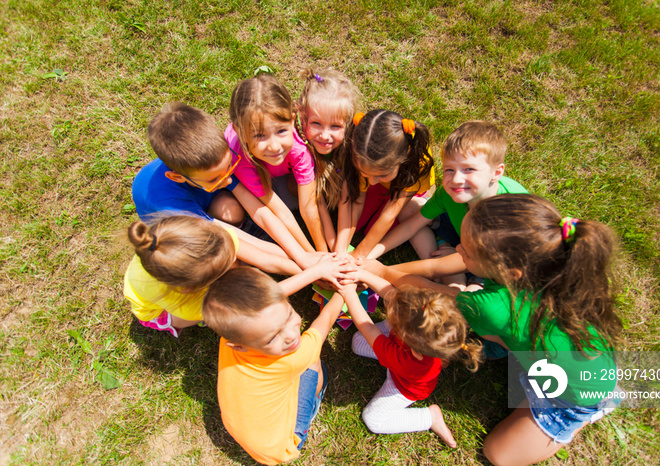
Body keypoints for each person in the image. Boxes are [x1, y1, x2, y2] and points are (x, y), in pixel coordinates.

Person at [379, 194, 623, 465]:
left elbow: (424, 287)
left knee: (498, 454)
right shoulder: (551, 265)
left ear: (510, 271)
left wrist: (378, 271)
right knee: (489, 335)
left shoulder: (492, 307)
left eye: (467, 251)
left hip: (575, 395)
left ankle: (592, 412)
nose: (458, 248)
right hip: (572, 358)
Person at [132, 102, 320, 270]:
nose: (228, 180)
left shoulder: (213, 162)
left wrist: (307, 257)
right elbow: (246, 248)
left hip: (204, 195)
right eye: (215, 179)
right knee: (228, 262)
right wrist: (306, 265)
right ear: (177, 177)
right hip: (182, 228)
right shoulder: (169, 206)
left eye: (229, 169)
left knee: (232, 210)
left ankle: (240, 223)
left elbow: (259, 210)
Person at [203, 265, 352, 465]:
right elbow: (325, 321)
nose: (291, 336)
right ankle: (315, 399)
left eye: (289, 315)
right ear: (239, 346)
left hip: (250, 430)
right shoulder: (291, 358)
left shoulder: (235, 333)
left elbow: (271, 297)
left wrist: (316, 272)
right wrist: (345, 290)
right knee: (314, 362)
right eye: (272, 338)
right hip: (283, 445)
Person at [339, 273, 481, 448]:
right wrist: (363, 274)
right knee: (357, 342)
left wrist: (349, 294)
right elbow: (391, 293)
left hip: (403, 386)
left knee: (373, 419)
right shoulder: (424, 314)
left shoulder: (407, 361)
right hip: (402, 352)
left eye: (398, 322)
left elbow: (368, 329)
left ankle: (429, 418)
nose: (391, 310)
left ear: (410, 342)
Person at [367, 121, 527, 269]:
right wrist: (368, 256)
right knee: (409, 208)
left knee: (461, 291)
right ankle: (441, 258)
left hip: (485, 264)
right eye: (449, 170)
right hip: (458, 234)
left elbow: (503, 264)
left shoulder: (513, 211)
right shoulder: (448, 193)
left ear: (496, 172)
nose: (456, 179)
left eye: (469, 169)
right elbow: (411, 226)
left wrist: (459, 257)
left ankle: (446, 275)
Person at [123, 215, 303, 337]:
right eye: (223, 266)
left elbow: (265, 258)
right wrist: (311, 275)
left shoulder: (205, 238)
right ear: (192, 287)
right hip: (156, 311)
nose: (235, 258)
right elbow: (255, 302)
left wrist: (304, 263)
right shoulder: (187, 303)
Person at [226, 74, 325, 253]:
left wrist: (323, 252)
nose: (274, 146)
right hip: (252, 173)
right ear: (239, 131)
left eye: (281, 131)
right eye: (259, 135)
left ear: (292, 120)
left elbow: (309, 206)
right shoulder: (239, 158)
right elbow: (279, 211)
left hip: (272, 171)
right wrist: (311, 256)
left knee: (302, 197)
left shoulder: (298, 149)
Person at [335, 109, 435, 259]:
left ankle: (422, 199)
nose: (372, 181)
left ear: (405, 156)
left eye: (382, 174)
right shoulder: (363, 153)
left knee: (372, 233)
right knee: (355, 226)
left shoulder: (417, 162)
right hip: (383, 188)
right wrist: (340, 249)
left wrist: (359, 254)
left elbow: (390, 213)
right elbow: (356, 201)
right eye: (366, 173)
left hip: (403, 190)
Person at [296, 68, 360, 252]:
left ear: (346, 124)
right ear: (303, 116)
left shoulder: (351, 145)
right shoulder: (302, 149)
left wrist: (339, 250)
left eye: (335, 126)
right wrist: (327, 251)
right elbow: (316, 202)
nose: (325, 135)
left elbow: (346, 199)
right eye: (316, 123)